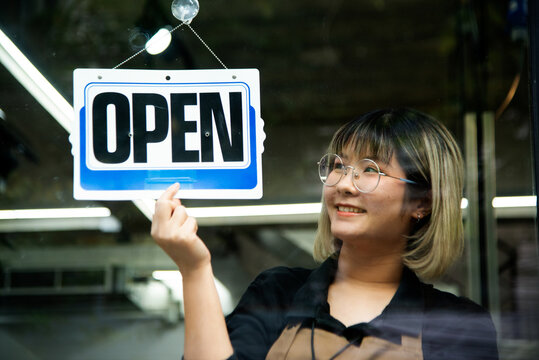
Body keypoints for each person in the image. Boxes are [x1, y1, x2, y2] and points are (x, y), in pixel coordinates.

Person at [151, 108, 499, 359]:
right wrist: (194, 269)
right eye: (338, 165)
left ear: (421, 201)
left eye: (370, 170)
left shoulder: (457, 324)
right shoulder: (277, 293)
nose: (344, 184)